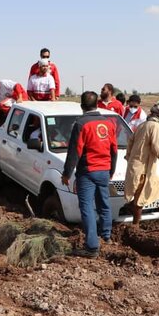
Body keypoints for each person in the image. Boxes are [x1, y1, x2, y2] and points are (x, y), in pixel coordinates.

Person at [62, 91, 117, 258]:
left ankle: (92, 246)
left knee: (86, 207)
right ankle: (106, 237)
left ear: (81, 106)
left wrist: (66, 174)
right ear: (97, 104)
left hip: (88, 171)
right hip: (104, 170)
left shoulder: (81, 124)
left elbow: (74, 152)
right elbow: (113, 150)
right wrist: (111, 171)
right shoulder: (109, 124)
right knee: (104, 204)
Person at [124, 104, 159, 226]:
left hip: (135, 166)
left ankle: (132, 211)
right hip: (142, 168)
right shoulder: (155, 126)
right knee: (140, 200)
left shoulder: (142, 125)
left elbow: (130, 144)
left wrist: (129, 158)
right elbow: (158, 148)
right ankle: (135, 227)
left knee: (153, 187)